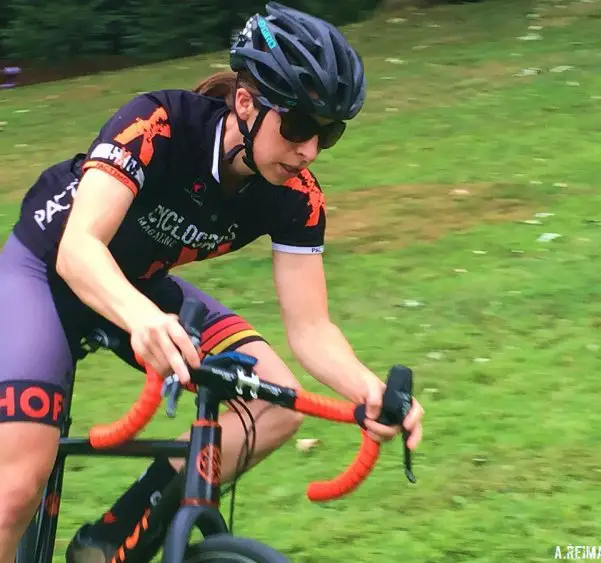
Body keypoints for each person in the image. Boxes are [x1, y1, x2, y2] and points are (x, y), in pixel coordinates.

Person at [0, 3, 425, 562]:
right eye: (298, 125)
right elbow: (79, 251)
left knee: (274, 406)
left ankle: (111, 543)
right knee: (14, 492)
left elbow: (312, 327)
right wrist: (144, 319)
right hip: (46, 270)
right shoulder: (157, 123)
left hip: (140, 285)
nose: (310, 150)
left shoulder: (297, 196)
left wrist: (367, 389)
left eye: (330, 134)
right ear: (245, 103)